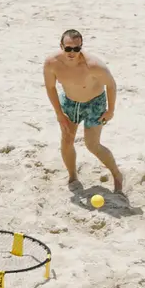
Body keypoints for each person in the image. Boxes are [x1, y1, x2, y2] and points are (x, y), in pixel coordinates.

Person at [43, 28, 123, 194]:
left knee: (92, 145)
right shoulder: (52, 63)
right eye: (68, 48)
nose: (72, 53)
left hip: (95, 104)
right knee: (67, 140)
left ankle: (117, 175)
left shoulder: (93, 65)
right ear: (61, 46)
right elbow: (50, 87)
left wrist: (111, 110)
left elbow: (111, 84)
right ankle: (73, 176)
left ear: (81, 47)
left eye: (76, 49)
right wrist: (59, 113)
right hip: (71, 103)